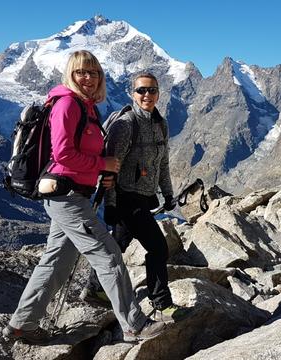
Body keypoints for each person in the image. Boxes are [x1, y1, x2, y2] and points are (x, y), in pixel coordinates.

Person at [2, 50, 165, 345]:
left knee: (56, 262)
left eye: (93, 73)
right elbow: (63, 154)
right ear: (70, 75)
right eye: (81, 72)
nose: (88, 78)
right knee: (109, 256)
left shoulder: (86, 107)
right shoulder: (67, 104)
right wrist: (104, 165)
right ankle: (134, 324)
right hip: (66, 195)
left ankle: (22, 324)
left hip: (73, 194)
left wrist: (100, 170)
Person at [81, 72, 184, 320]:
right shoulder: (124, 125)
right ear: (132, 93)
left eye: (152, 90)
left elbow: (164, 163)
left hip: (143, 197)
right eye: (141, 90)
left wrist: (168, 194)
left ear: (159, 93)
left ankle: (95, 289)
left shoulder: (161, 124)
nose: (147, 95)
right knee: (158, 248)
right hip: (126, 197)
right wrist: (112, 204)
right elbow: (109, 168)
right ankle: (161, 302)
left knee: (117, 245)